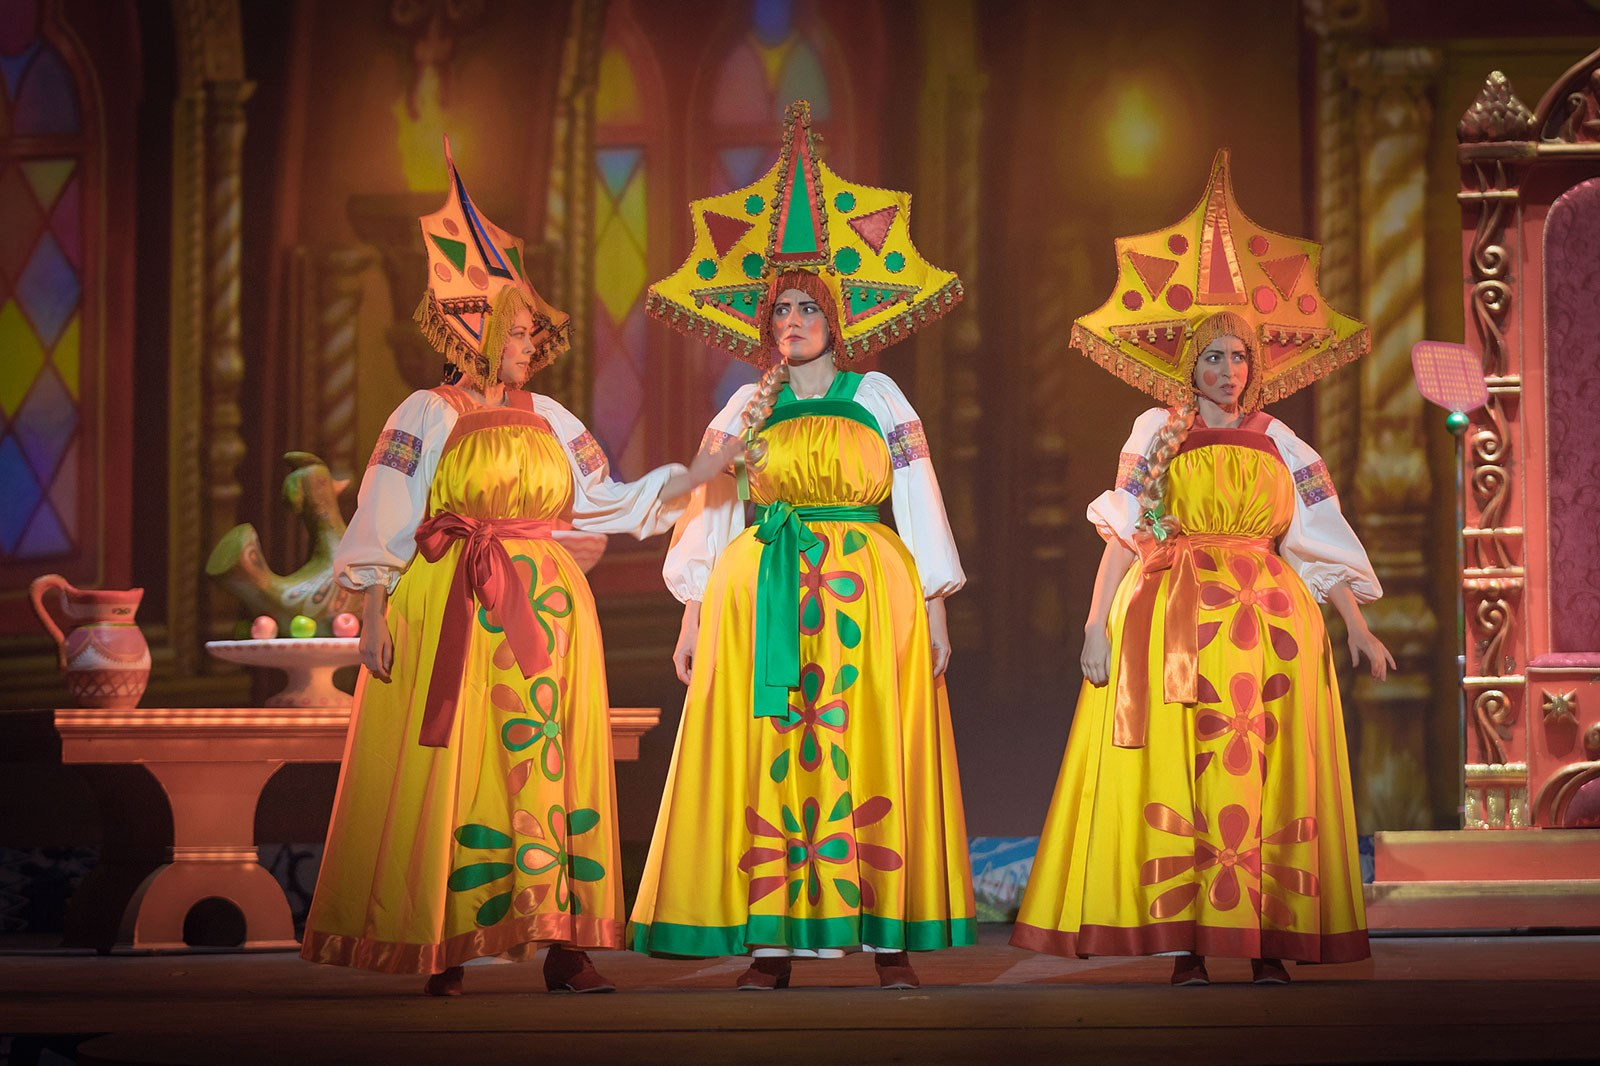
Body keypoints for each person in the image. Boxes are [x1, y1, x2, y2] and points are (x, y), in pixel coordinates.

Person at [300, 143, 737, 996]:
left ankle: (563, 940)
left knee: (551, 759)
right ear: (477, 334)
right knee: (458, 763)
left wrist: (695, 475)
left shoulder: (554, 418)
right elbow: (384, 513)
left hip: (547, 612)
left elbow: (608, 500)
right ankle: (445, 936)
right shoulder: (426, 412)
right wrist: (375, 612)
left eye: (534, 331)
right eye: (517, 330)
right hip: (454, 601)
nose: (530, 343)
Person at [1011, 151, 1392, 985]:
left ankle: (1266, 941)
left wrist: (1358, 628)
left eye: (1239, 357)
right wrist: (1093, 627)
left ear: (1256, 367)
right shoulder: (1156, 433)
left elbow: (1320, 543)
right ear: (1190, 364)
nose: (1227, 370)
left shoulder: (1282, 441)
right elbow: (1123, 532)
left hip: (1266, 628)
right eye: (1213, 357)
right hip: (1171, 622)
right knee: (1179, 769)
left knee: (1260, 772)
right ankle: (1187, 941)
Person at [627, 101, 974, 990]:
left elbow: (917, 497)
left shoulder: (880, 397)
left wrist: (935, 607)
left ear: (834, 317)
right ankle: (772, 947)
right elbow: (712, 510)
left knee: (868, 746)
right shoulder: (745, 408)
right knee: (773, 750)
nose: (790, 318)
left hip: (867, 593)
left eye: (806, 306)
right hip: (766, 592)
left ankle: (888, 942)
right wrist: (692, 616)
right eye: (779, 307)